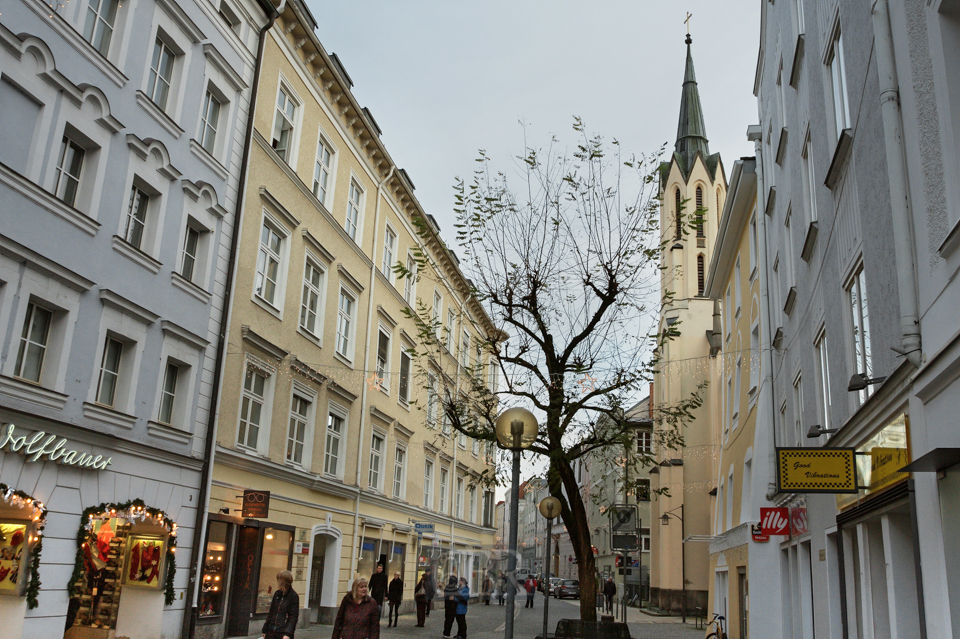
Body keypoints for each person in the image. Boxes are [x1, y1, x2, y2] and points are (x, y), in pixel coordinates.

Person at [261, 570, 299, 639]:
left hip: (283, 632)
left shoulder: (293, 596)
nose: (277, 582)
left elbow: (293, 617)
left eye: (279, 579)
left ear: (283, 581)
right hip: (271, 631)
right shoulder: (277, 594)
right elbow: (271, 612)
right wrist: (265, 629)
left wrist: (288, 634)